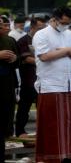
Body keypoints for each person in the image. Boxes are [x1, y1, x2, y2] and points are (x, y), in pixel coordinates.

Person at [32, 7, 71, 163]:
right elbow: (45, 56)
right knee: (52, 124)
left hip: (69, 84)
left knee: (68, 124)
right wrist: (67, 50)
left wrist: (70, 52)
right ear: (54, 19)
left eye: (68, 23)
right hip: (50, 84)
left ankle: (67, 156)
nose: (65, 25)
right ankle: (51, 158)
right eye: (63, 22)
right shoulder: (41, 34)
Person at [15, 17, 47, 138]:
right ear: (32, 27)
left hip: (44, 79)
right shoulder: (24, 41)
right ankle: (20, 131)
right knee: (24, 107)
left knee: (43, 108)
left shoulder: (44, 40)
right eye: (39, 28)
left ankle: (42, 131)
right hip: (28, 79)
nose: (42, 30)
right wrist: (45, 60)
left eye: (44, 28)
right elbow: (27, 59)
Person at [0, 16, 19, 163]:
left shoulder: (9, 40)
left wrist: (14, 59)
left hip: (7, 81)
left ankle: (7, 137)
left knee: (7, 110)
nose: (3, 27)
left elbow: (18, 59)